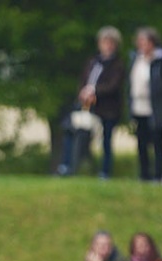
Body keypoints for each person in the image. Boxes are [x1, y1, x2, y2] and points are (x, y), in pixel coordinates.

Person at [57, 26, 125, 178]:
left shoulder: (117, 65)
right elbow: (83, 80)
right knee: (71, 131)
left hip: (107, 108)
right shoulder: (93, 62)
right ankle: (67, 166)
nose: (107, 46)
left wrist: (95, 92)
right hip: (87, 105)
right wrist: (84, 93)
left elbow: (113, 85)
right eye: (104, 42)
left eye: (110, 43)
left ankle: (105, 171)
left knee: (106, 140)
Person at [128, 27, 162, 182]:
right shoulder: (136, 59)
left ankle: (158, 175)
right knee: (142, 142)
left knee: (157, 142)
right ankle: (144, 175)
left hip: (157, 107)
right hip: (139, 106)